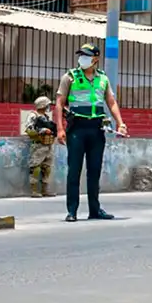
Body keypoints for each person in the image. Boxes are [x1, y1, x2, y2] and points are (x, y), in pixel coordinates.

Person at [55, 43, 127, 222]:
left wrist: (121, 124)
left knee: (94, 171)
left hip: (96, 129)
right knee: (74, 171)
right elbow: (58, 102)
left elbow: (111, 102)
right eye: (81, 55)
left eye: (86, 56)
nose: (82, 59)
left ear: (95, 59)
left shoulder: (103, 79)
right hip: (76, 129)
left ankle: (95, 210)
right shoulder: (70, 77)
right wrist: (60, 129)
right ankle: (72, 211)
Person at [25, 96, 57, 198]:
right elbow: (29, 130)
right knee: (36, 167)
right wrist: (42, 131)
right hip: (38, 145)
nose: (48, 106)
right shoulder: (33, 115)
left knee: (47, 168)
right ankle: (34, 191)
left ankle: (45, 190)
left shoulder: (46, 117)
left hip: (48, 145)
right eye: (47, 104)